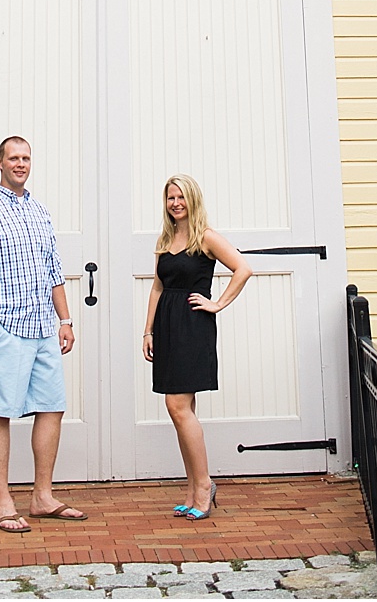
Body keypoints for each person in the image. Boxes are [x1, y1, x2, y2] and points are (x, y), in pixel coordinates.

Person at [0, 135, 85, 533]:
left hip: (44, 327)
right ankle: (3, 502)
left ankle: (43, 496)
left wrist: (65, 320)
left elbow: (53, 271)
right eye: (14, 158)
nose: (20, 164)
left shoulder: (40, 212)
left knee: (52, 407)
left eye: (26, 158)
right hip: (5, 328)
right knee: (1, 410)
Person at [142, 175, 251, 520]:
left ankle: (204, 486)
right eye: (170, 198)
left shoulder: (207, 238)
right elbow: (158, 288)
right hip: (167, 327)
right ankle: (192, 489)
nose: (175, 203)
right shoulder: (165, 239)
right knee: (182, 407)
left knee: (176, 405)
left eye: (181, 197)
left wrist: (217, 303)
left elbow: (243, 269)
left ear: (193, 200)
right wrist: (148, 331)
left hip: (192, 327)